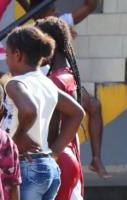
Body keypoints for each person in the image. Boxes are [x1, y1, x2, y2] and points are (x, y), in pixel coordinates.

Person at [2, 25, 85, 200]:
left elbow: (27, 112)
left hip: (26, 169)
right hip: (48, 168)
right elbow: (77, 112)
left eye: (6, 54)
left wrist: (11, 143)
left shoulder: (15, 83)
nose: (5, 61)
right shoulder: (47, 81)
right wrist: (56, 149)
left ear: (18, 54)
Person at [35, 16, 85, 200]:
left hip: (59, 159)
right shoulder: (63, 74)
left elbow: (53, 126)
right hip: (65, 158)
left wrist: (50, 153)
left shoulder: (56, 80)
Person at [34, 0, 112, 179]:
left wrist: (51, 155)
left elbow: (90, 5)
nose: (56, 10)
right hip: (48, 78)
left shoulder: (58, 24)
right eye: (52, 8)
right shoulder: (35, 30)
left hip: (61, 79)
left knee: (90, 107)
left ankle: (94, 158)